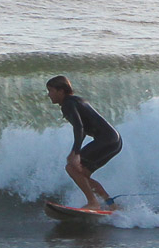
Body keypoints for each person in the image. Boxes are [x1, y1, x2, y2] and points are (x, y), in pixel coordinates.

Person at [47, 75, 122, 210]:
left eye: (51, 91)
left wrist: (76, 153)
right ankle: (111, 205)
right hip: (114, 141)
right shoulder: (74, 101)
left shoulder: (68, 104)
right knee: (83, 175)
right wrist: (75, 151)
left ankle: (93, 202)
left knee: (71, 168)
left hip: (106, 140)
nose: (49, 95)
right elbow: (82, 129)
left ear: (61, 91)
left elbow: (79, 127)